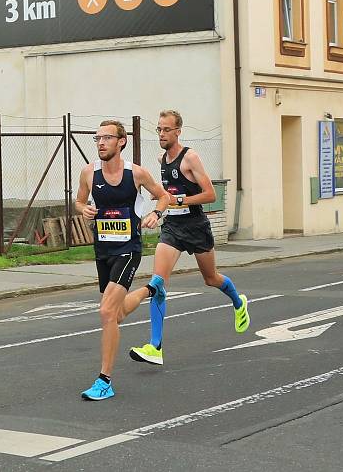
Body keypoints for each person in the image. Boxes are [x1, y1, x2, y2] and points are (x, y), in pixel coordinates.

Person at [128, 110, 250, 366]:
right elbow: (169, 192)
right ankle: (155, 347)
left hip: (196, 226)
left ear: (178, 132)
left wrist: (179, 199)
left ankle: (239, 302)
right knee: (158, 282)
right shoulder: (162, 159)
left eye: (166, 130)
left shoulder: (190, 157)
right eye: (159, 129)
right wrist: (161, 199)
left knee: (211, 278)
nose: (161, 134)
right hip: (173, 227)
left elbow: (210, 195)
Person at [77, 120, 170, 401]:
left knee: (106, 313)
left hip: (129, 249)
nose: (101, 143)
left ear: (122, 141)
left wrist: (156, 214)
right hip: (103, 249)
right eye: (97, 138)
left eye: (107, 137)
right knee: (115, 314)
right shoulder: (89, 174)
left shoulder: (136, 174)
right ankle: (152, 289)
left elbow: (163, 196)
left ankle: (105, 380)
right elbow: (79, 202)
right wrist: (84, 210)